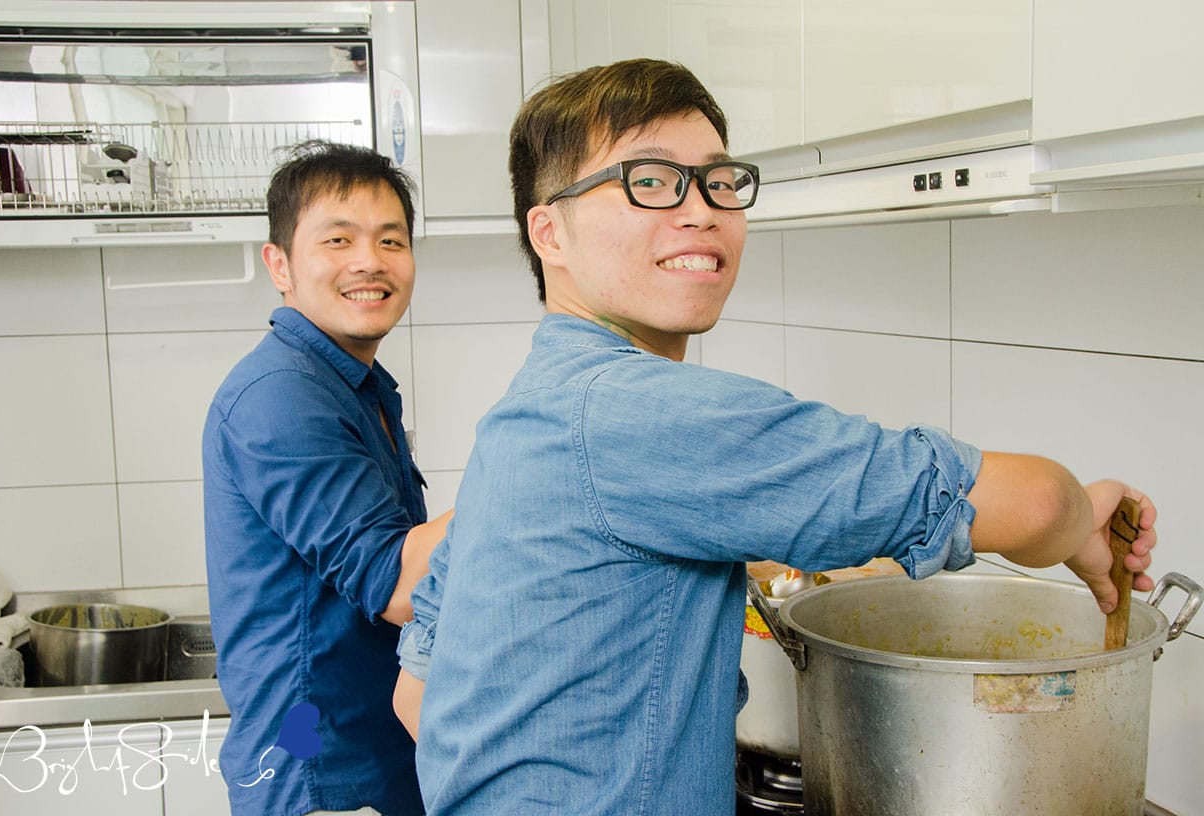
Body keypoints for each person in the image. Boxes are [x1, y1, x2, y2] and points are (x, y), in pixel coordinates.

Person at [393, 59, 1157, 815]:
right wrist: (1083, 520)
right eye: (649, 180)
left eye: (719, 181)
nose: (701, 210)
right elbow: (1032, 503)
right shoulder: (641, 413)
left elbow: (416, 695)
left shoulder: (531, 412)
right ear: (549, 232)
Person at [203, 139, 450, 816]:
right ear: (279, 264)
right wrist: (535, 472)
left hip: (365, 762)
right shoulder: (282, 395)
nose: (369, 260)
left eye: (391, 240)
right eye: (338, 239)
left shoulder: (351, 383)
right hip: (321, 778)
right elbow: (400, 584)